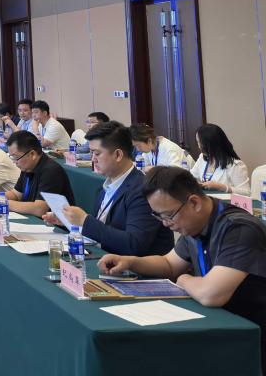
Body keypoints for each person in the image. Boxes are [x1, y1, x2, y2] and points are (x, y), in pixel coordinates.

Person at [100, 166, 266, 367]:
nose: (165, 223)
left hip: (251, 339)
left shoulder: (239, 229)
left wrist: (183, 279)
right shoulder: (195, 224)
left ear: (194, 203)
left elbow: (211, 295)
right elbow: (170, 264)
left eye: (168, 215)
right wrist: (131, 262)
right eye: (159, 216)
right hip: (218, 326)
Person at [42, 121, 173, 256]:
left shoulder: (142, 190)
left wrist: (85, 221)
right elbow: (105, 231)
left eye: (97, 153)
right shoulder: (105, 187)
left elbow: (134, 244)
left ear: (118, 155)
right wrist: (70, 222)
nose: (93, 159)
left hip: (136, 266)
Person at [0, 130, 75, 216]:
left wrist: (3, 202)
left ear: (32, 154)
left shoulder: (51, 171)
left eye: (16, 157)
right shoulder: (27, 167)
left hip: (55, 225)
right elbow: (16, 194)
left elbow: (40, 209)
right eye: (12, 157)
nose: (14, 162)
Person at [191, 124, 250, 195]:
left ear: (211, 144)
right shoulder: (202, 158)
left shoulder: (235, 165)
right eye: (198, 142)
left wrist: (222, 187)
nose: (199, 146)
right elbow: (191, 177)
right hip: (207, 200)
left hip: (226, 202)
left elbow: (246, 193)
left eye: (200, 143)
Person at [130, 124, 194, 169]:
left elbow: (175, 173)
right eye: (135, 146)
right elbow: (142, 167)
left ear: (149, 141)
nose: (138, 149)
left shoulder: (169, 149)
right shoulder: (149, 149)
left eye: (138, 145)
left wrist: (154, 169)